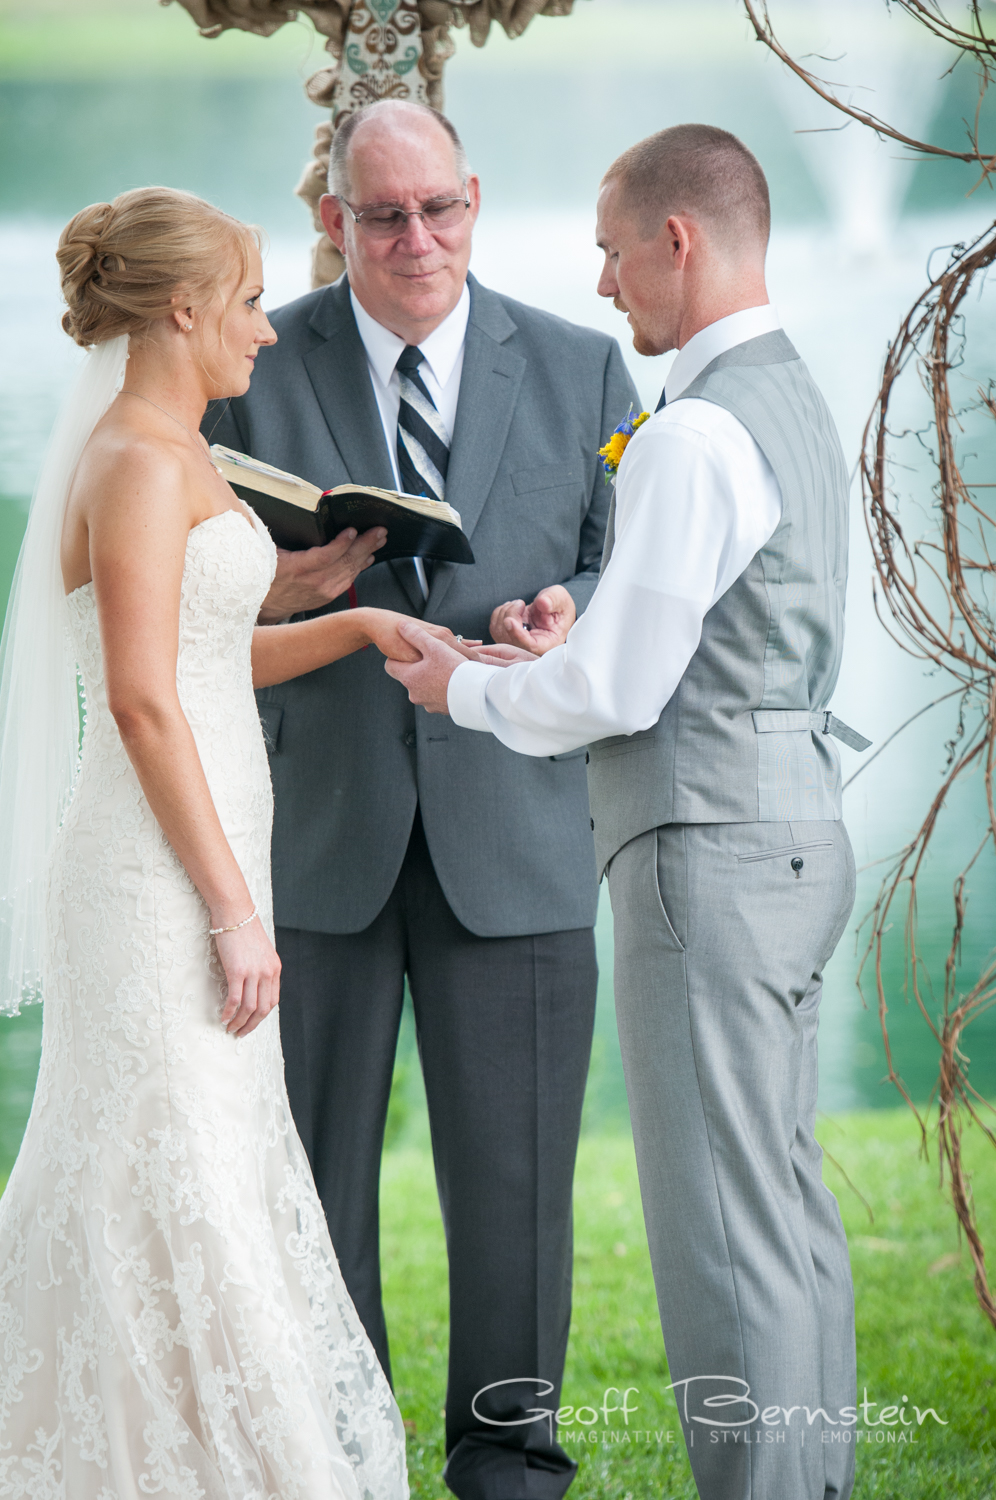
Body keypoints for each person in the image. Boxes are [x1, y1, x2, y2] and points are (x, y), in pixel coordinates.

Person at [387, 125, 869, 1500]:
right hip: (792, 828)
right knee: (781, 1207)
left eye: (611, 252)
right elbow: (698, 626)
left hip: (702, 853)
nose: (602, 286)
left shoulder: (696, 428)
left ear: (678, 241)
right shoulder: (788, 398)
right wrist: (581, 620)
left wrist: (460, 690)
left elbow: (617, 691)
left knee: (721, 1237)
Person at [204, 99, 638, 1500]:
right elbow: (187, 594)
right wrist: (288, 587)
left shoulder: (584, 367)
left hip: (512, 836)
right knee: (309, 1187)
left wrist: (574, 612)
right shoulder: (250, 364)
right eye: (381, 215)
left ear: (473, 197)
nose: (415, 240)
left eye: (439, 208)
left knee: (516, 1197)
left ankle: (508, 1467)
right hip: (312, 832)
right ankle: (336, 1455)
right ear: (332, 217)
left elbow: (638, 582)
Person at [0, 185, 451, 1499]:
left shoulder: (179, 447)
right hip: (154, 887)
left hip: (204, 864)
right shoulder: (138, 458)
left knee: (201, 1172)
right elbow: (140, 702)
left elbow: (203, 662)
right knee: (168, 1170)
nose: (264, 329)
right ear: (184, 306)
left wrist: (354, 623)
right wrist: (232, 912)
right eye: (250, 299)